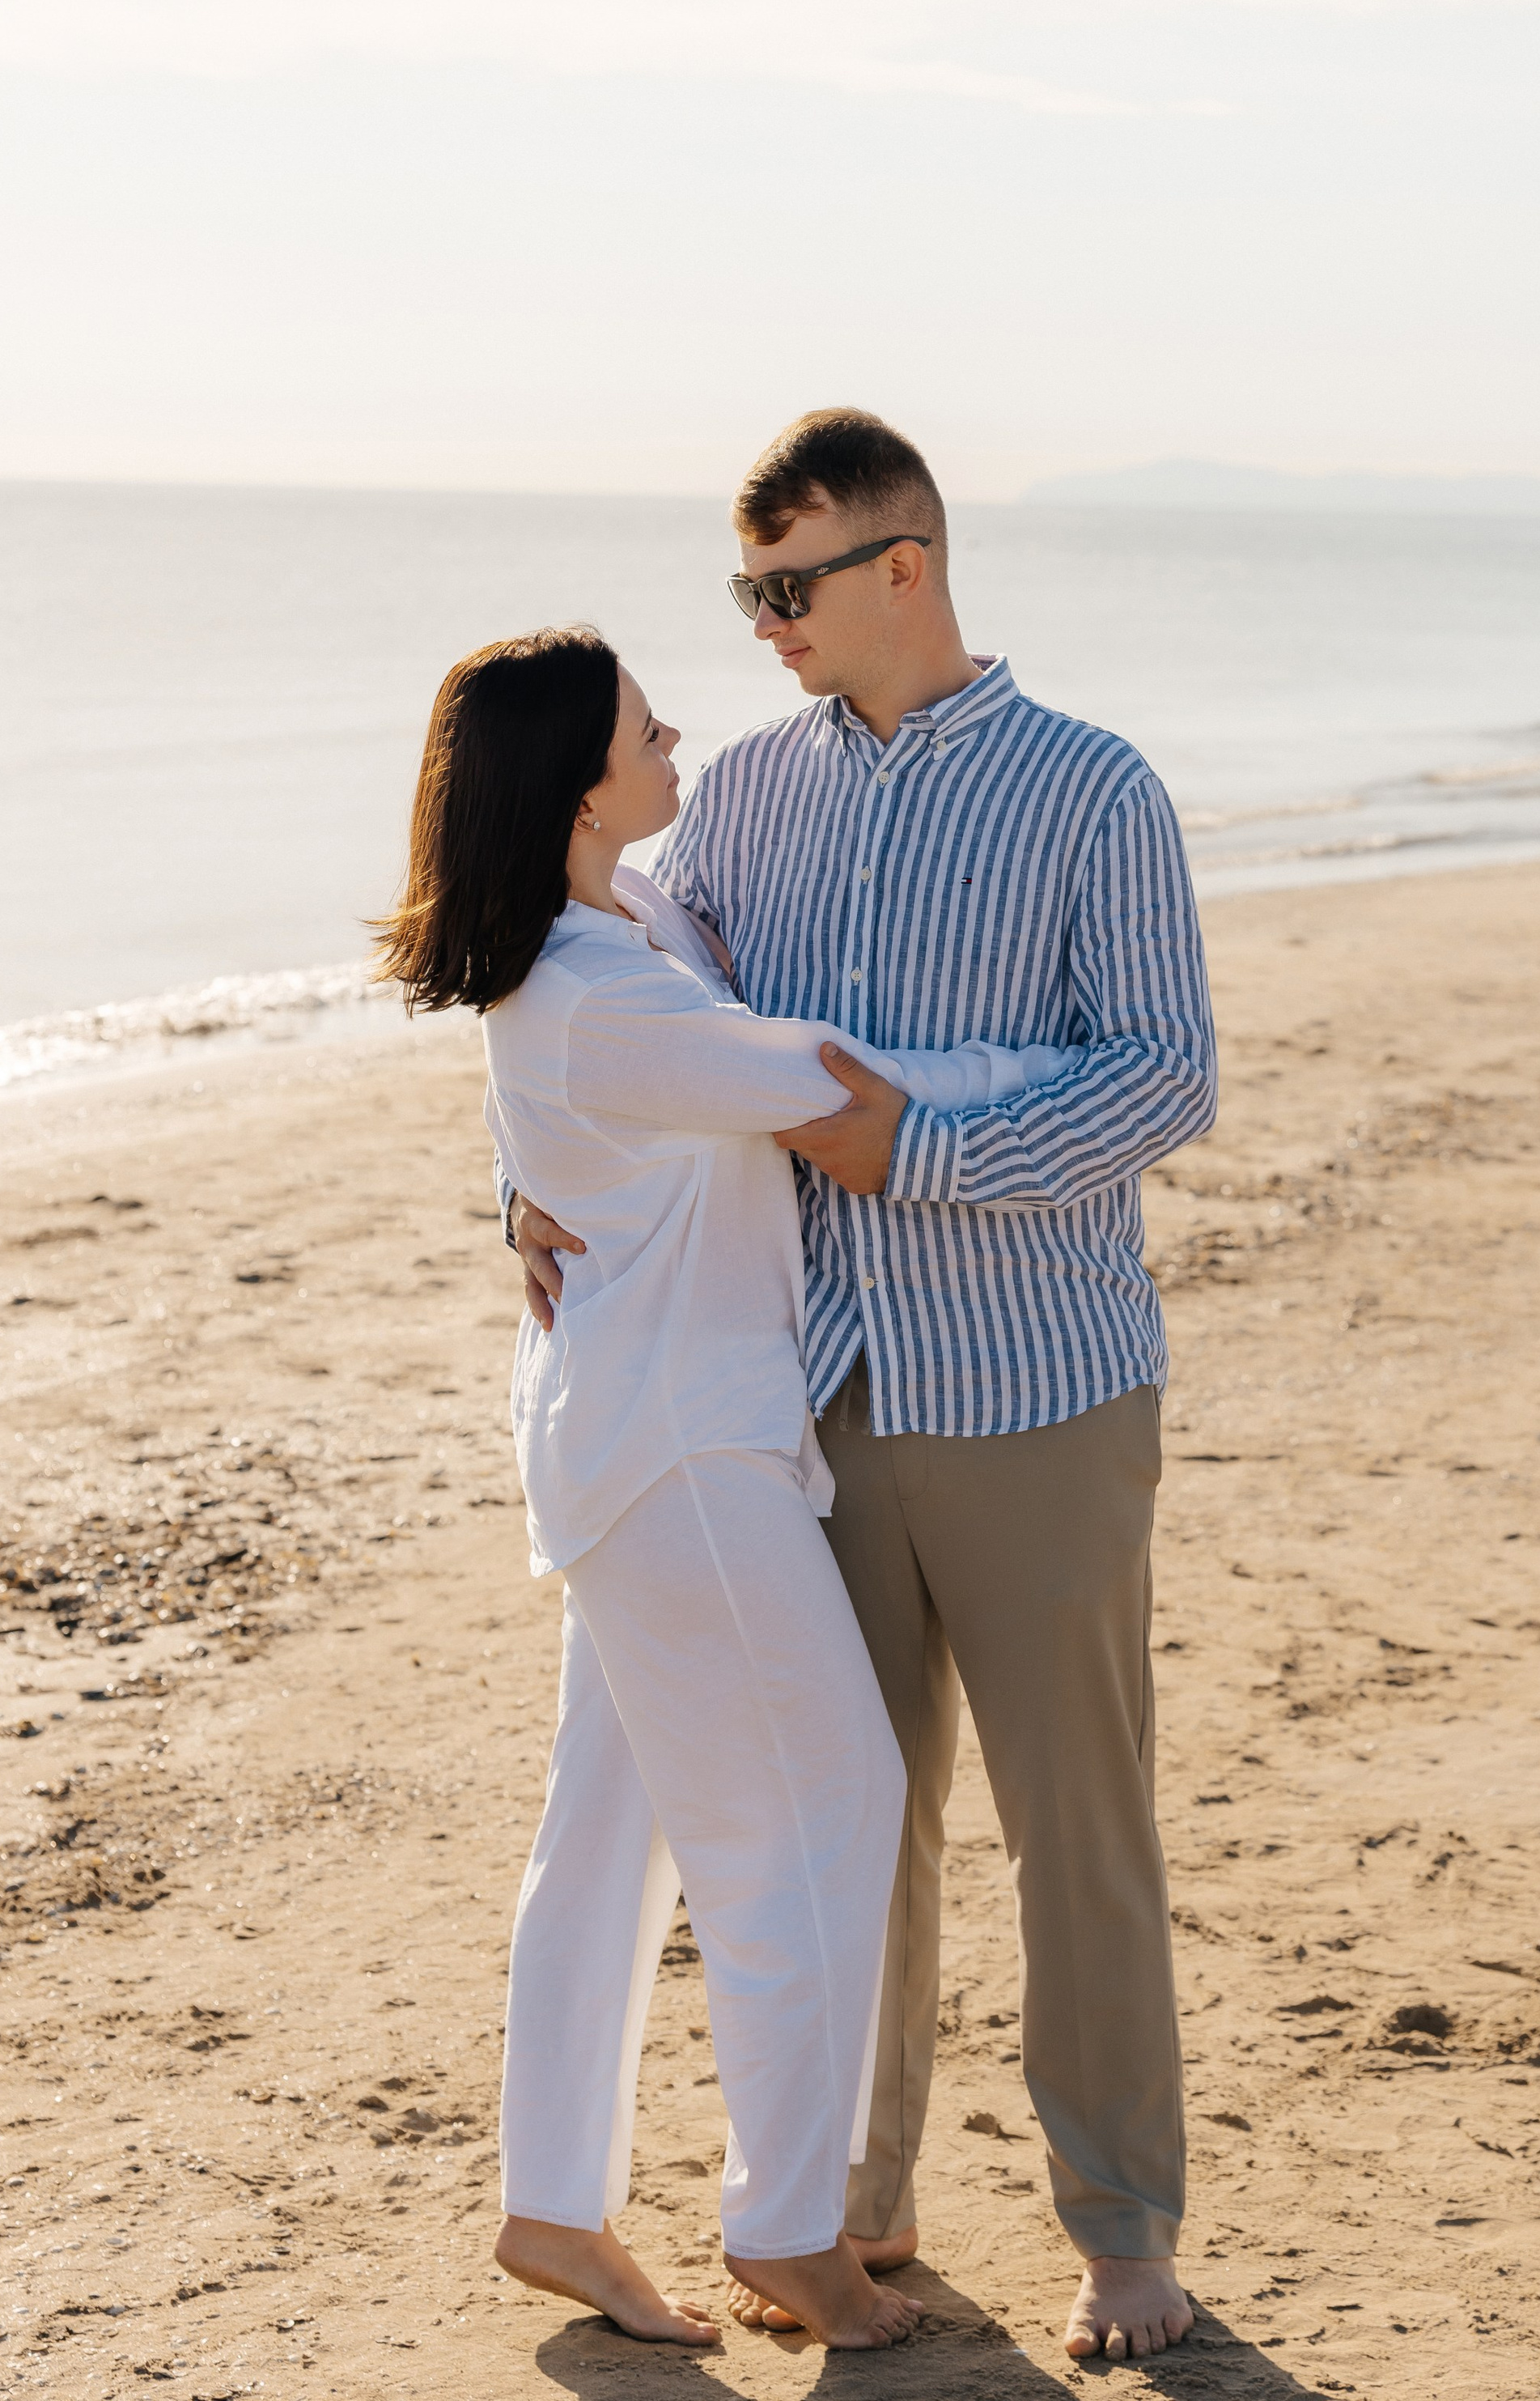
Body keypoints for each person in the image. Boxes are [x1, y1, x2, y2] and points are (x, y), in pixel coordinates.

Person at [511, 407, 1218, 2363]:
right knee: (853, 1824)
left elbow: (1162, 1073)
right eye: (743, 592)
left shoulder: (1092, 790)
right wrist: (524, 1178)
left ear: (901, 563)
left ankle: (1121, 2227)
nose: (761, 625)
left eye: (788, 586)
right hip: (804, 1390)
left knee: (1078, 1825)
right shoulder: (735, 798)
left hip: (1039, 1385)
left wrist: (916, 1149)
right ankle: (854, 2204)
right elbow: (624, 1007)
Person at [377, 624, 1077, 2351]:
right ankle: (784, 2224)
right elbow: (823, 1085)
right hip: (679, 1447)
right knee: (823, 1796)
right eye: (639, 724)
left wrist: (511, 1189)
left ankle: (551, 2202)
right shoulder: (596, 991)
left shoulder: (629, 922)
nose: (673, 729)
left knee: (608, 1828)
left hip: (640, 1429)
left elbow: (561, 1104)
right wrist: (1075, 1083)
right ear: (570, 781)